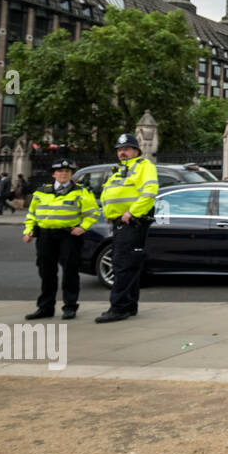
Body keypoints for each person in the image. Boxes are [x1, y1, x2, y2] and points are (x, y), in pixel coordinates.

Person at [95, 132, 159, 323]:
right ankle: (129, 305)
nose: (122, 152)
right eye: (120, 149)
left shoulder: (144, 166)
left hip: (132, 222)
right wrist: (108, 212)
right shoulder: (118, 169)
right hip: (119, 222)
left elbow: (149, 192)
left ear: (136, 150)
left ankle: (118, 308)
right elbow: (107, 193)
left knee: (122, 265)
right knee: (127, 264)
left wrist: (131, 213)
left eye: (126, 149)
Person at [23, 159, 99, 320]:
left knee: (70, 271)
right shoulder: (42, 191)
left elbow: (93, 213)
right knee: (46, 272)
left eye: (67, 171)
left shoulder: (81, 191)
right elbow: (31, 214)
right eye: (59, 171)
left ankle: (70, 307)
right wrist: (28, 231)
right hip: (45, 235)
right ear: (53, 174)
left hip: (69, 236)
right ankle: (45, 307)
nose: (63, 174)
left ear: (71, 174)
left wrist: (83, 227)